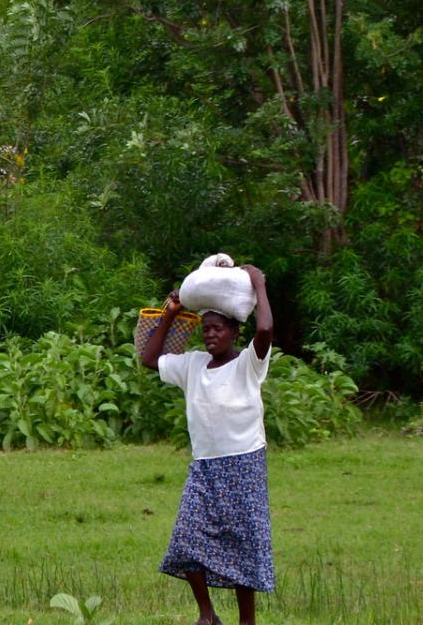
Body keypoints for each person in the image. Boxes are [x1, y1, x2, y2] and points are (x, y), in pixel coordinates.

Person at [138, 264, 276, 625]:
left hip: (244, 465)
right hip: (204, 467)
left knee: (242, 545)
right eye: (205, 329)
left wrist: (258, 283)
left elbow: (264, 328)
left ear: (233, 332)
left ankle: (247, 621)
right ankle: (207, 615)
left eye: (217, 329)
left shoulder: (249, 364)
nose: (210, 336)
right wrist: (170, 313)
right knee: (185, 539)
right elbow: (149, 359)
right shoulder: (193, 366)